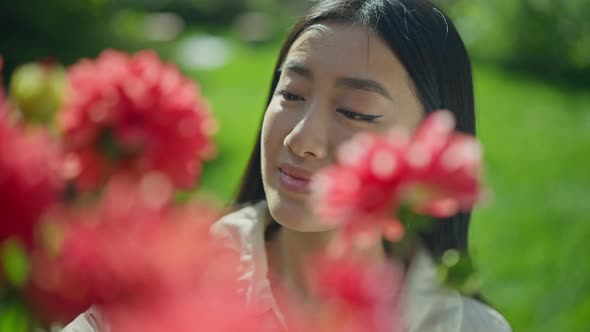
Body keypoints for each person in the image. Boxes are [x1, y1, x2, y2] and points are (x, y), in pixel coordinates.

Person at [63, 0, 511, 331]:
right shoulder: (163, 278)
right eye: (291, 94)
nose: (299, 139)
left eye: (354, 111)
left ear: (430, 143)